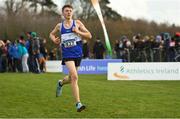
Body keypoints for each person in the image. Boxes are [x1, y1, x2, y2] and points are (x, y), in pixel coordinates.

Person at [49, 4, 92, 112]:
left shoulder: (77, 23)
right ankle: (78, 104)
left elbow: (89, 35)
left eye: (70, 11)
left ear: (72, 12)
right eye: (66, 11)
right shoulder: (60, 26)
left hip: (78, 54)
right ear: (63, 13)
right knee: (75, 77)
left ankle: (60, 83)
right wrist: (54, 39)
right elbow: (51, 34)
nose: (68, 12)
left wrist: (78, 31)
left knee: (71, 78)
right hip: (67, 54)